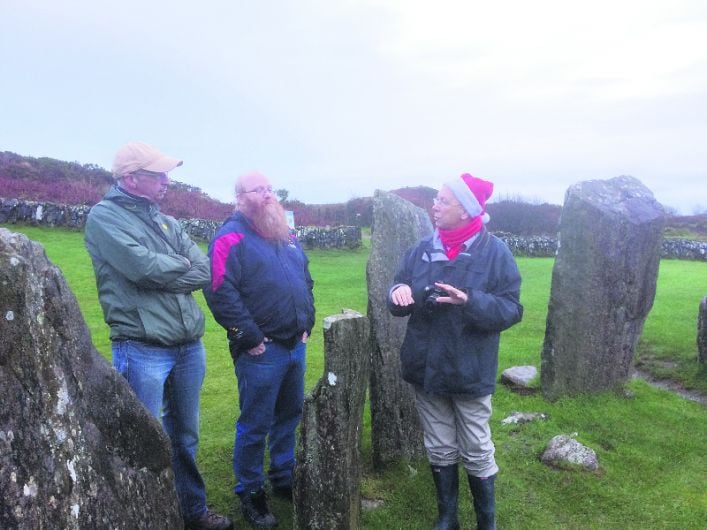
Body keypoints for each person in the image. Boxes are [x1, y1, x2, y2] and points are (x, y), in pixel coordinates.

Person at [84, 141, 232, 530]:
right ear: (131, 179)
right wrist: (176, 265)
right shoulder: (104, 218)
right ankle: (143, 517)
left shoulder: (168, 221)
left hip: (187, 345)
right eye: (158, 175)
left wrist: (174, 267)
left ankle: (191, 511)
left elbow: (203, 270)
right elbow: (141, 268)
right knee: (139, 440)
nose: (167, 181)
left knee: (185, 436)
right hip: (142, 345)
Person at [388, 173, 523, 530]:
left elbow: (512, 309)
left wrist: (470, 301)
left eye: (443, 201)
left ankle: (486, 522)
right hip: (425, 365)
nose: (434, 205)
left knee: (476, 447)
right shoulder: (420, 250)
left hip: (469, 368)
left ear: (465, 210)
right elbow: (398, 290)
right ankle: (448, 517)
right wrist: (398, 294)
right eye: (436, 199)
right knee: (439, 444)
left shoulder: (495, 253)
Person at [203, 171, 315, 528]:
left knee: (289, 414)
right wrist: (248, 336)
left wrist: (306, 321)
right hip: (261, 352)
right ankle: (250, 490)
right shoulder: (229, 237)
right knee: (255, 424)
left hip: (294, 345)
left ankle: (283, 475)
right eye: (257, 190)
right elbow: (219, 290)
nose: (266, 195)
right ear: (239, 196)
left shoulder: (285, 234)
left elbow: (305, 279)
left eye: (269, 188)